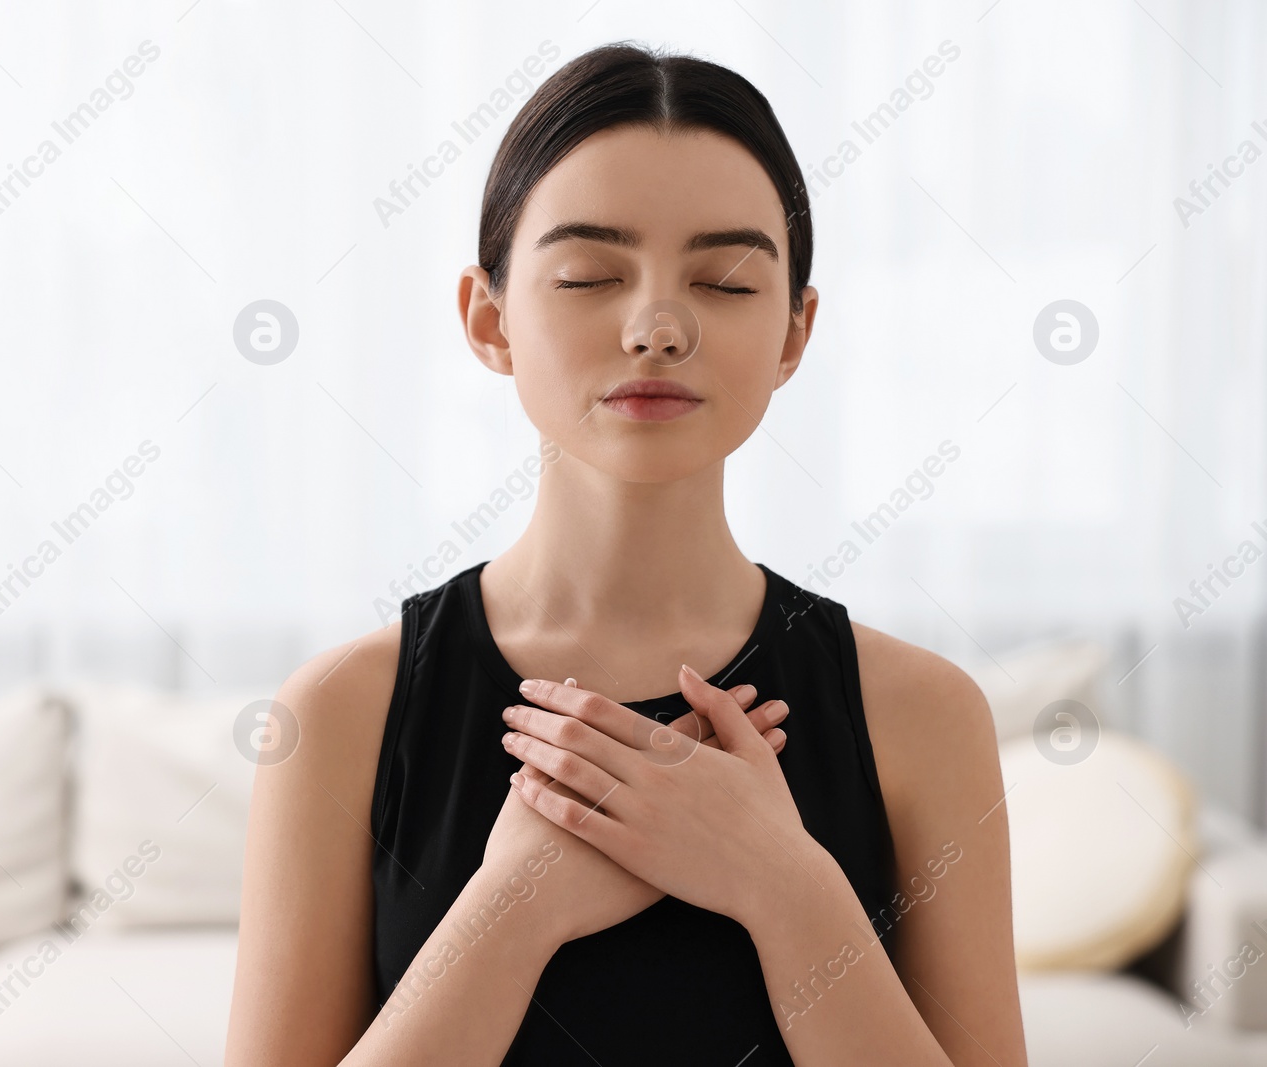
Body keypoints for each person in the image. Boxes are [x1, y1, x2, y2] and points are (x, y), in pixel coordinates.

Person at [226, 41, 1027, 1067]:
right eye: (589, 274)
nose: (656, 326)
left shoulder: (922, 714)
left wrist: (785, 883)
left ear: (794, 333)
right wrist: (511, 908)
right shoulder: (340, 711)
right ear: (488, 316)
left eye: (726, 281)